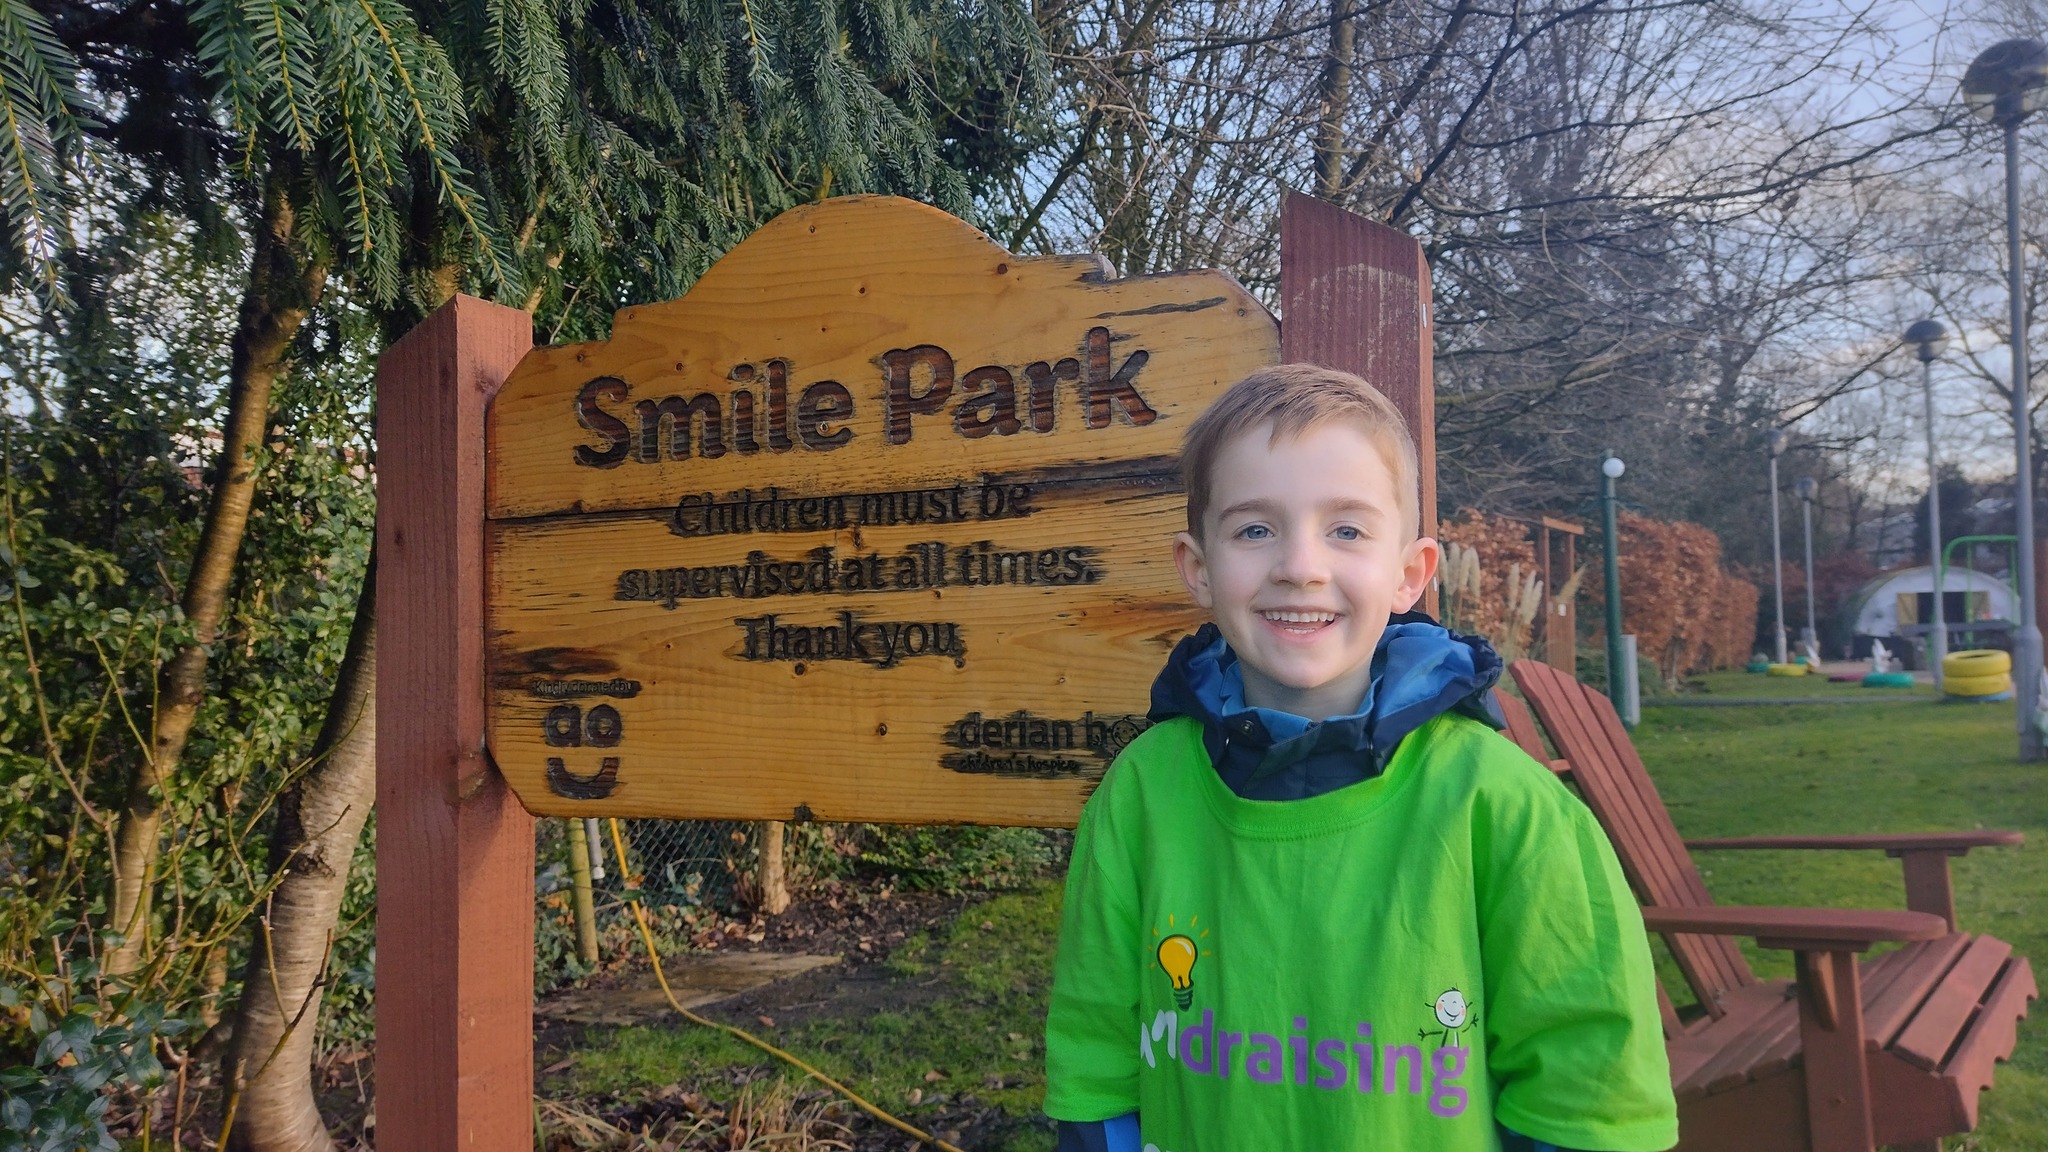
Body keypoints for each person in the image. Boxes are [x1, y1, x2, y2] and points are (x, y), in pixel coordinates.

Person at [1043, 365, 1677, 1152]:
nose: (1300, 566)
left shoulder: (1503, 805)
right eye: (1253, 529)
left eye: (1346, 529)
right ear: (1198, 567)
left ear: (1410, 573)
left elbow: (1589, 1089)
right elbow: (1095, 1047)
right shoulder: (1142, 790)